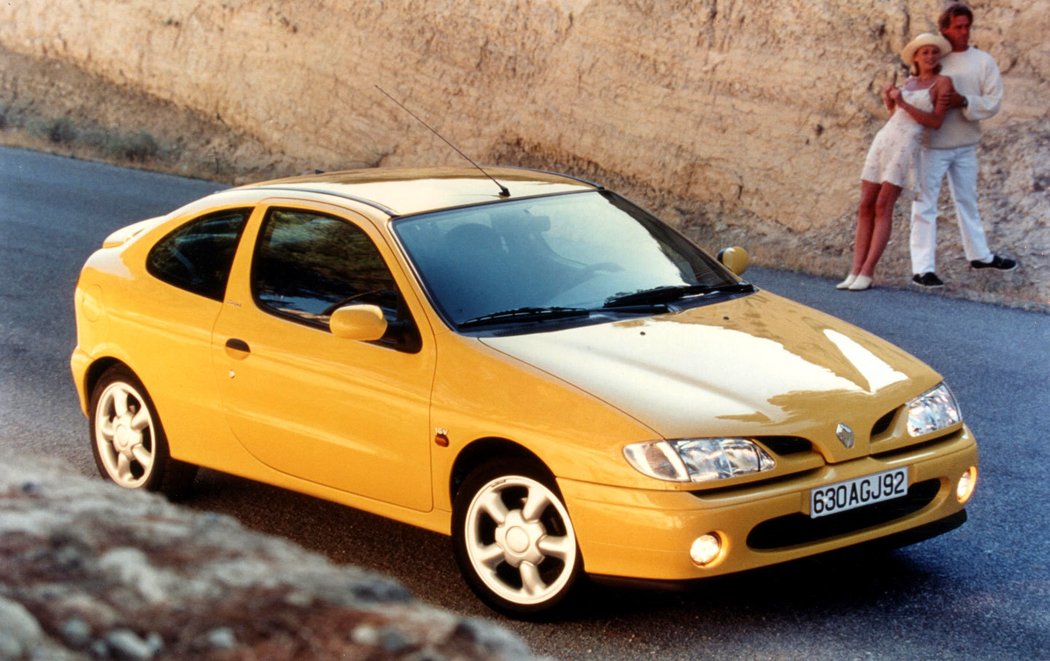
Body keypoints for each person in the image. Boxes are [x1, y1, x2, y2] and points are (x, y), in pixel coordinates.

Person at [909, 2, 1014, 289]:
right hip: (932, 145)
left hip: (965, 143)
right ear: (945, 29)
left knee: (967, 200)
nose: (964, 32)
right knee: (925, 205)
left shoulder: (983, 61)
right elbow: (916, 85)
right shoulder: (934, 57)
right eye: (958, 27)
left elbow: (993, 102)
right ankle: (922, 268)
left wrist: (964, 101)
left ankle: (979, 255)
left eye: (967, 26)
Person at [837, 33, 953, 291]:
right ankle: (854, 270)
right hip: (885, 140)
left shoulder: (942, 83)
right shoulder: (909, 81)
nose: (930, 57)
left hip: (907, 145)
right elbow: (895, 115)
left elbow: (935, 122)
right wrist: (891, 102)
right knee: (865, 204)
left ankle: (868, 272)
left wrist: (901, 102)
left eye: (934, 52)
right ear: (915, 57)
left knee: (883, 205)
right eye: (925, 52)